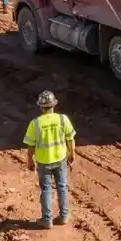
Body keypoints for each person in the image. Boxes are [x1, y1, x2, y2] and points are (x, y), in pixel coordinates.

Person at [23, 91, 76, 229]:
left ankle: (47, 220)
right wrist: (72, 154)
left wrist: (29, 160)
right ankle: (64, 216)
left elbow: (31, 145)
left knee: (46, 190)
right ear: (54, 105)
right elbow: (70, 138)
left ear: (41, 107)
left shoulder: (35, 123)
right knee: (62, 187)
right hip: (60, 159)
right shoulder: (63, 119)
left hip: (43, 162)